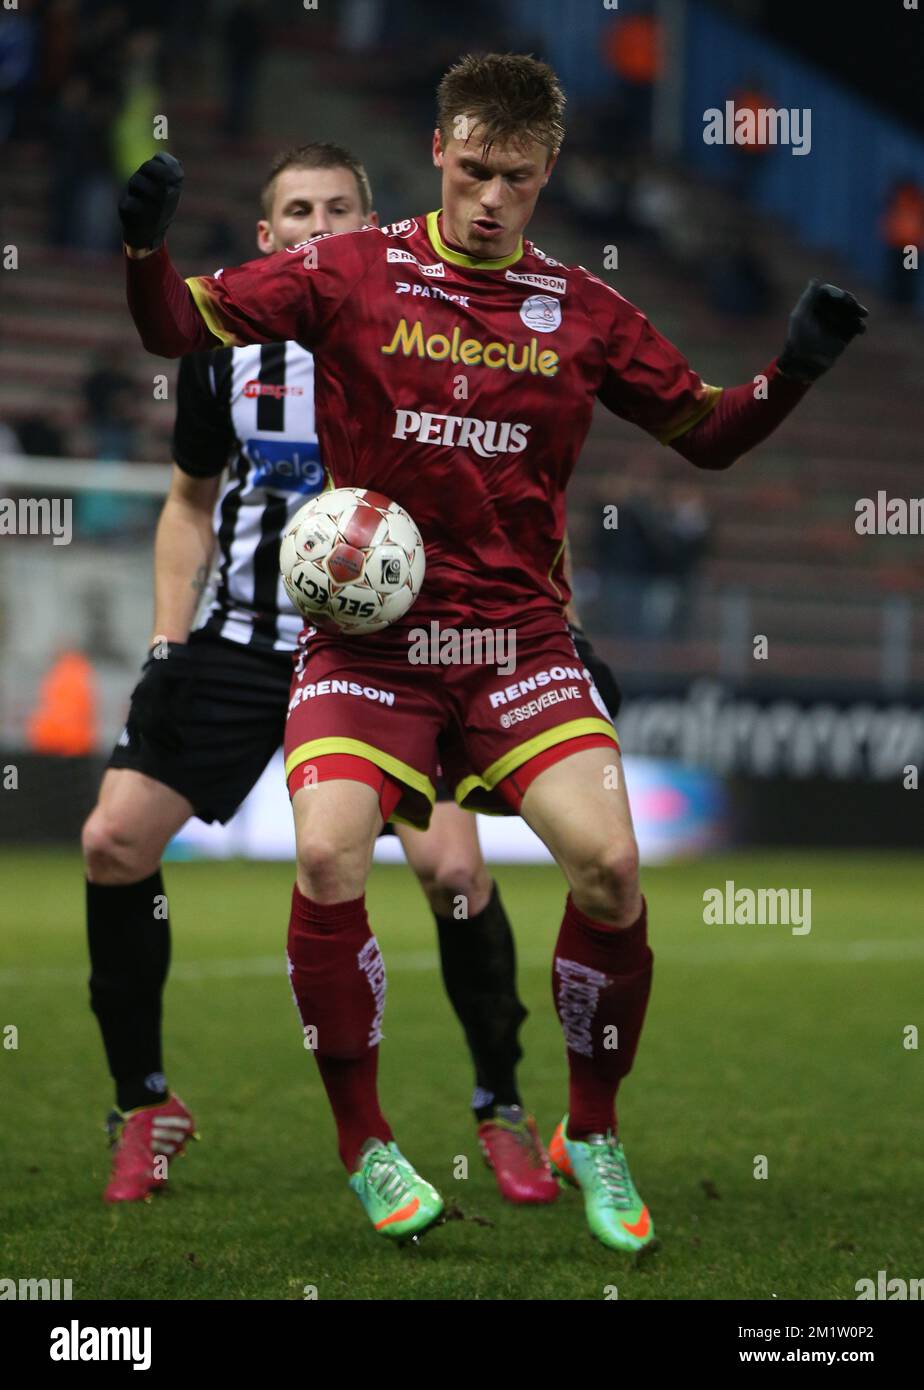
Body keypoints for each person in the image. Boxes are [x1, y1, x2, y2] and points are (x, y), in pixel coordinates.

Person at [118, 52, 867, 1250]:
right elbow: (177, 328)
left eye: (513, 178)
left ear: (546, 172)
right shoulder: (348, 270)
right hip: (370, 644)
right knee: (324, 858)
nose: (487, 200)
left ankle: (593, 1130)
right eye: (470, 170)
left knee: (612, 869)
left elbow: (708, 435)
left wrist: (797, 371)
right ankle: (367, 1143)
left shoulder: (585, 311)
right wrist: (143, 250)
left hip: (516, 641)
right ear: (438, 152)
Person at [89, 141, 622, 1208]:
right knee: (112, 841)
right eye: (298, 211)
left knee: (458, 878)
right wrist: (163, 644)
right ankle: (146, 1103)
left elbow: (501, 506)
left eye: (340, 208)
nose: (319, 226)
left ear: (373, 227)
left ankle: (501, 1104)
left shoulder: (419, 332)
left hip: (402, 653)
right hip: (247, 643)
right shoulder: (219, 353)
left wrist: (557, 630)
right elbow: (189, 505)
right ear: (267, 237)